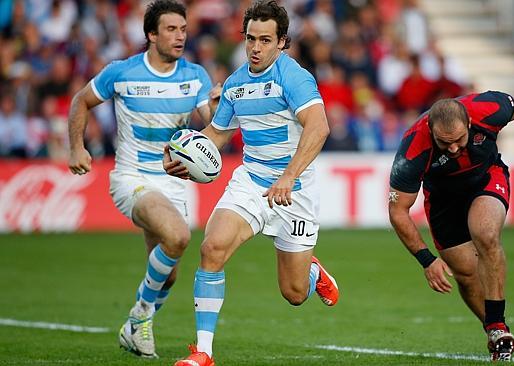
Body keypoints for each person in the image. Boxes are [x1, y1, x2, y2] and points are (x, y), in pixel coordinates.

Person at [164, 2, 338, 365]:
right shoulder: (236, 83)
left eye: (264, 40)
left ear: (282, 42)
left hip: (295, 190)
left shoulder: (294, 77)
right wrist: (182, 154)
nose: (255, 47)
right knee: (212, 248)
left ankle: (311, 273)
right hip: (251, 183)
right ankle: (204, 352)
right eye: (250, 39)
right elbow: (217, 133)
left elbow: (319, 126)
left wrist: (289, 177)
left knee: (293, 294)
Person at [67, 0, 220, 358]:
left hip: (172, 181)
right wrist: (76, 146)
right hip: (131, 177)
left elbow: (210, 128)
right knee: (179, 236)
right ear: (151, 34)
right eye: (170, 29)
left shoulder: (195, 76)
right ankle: (139, 316)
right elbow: (80, 100)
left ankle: (135, 325)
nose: (180, 36)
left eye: (183, 29)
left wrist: (215, 106)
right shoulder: (121, 72)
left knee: (168, 274)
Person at [388, 91, 514, 361]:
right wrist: (427, 260)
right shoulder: (413, 147)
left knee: (485, 234)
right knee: (464, 272)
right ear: (430, 130)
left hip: (486, 177)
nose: (452, 148)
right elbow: (397, 210)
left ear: (470, 124)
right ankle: (496, 331)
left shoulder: (489, 109)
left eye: (459, 140)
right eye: (444, 142)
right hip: (443, 200)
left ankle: (497, 326)